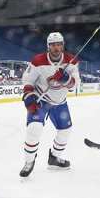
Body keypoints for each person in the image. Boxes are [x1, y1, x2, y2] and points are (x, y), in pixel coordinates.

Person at [19, 32, 80, 177]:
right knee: (34, 129)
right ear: (48, 47)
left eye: (59, 44)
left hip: (60, 102)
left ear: (63, 45)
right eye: (53, 45)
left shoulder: (71, 61)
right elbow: (27, 81)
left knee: (65, 131)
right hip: (42, 99)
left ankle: (54, 158)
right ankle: (29, 161)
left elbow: (75, 84)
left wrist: (65, 79)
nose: (56, 48)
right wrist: (29, 97)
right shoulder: (38, 61)